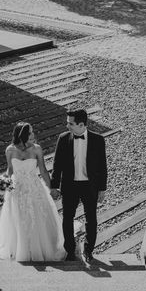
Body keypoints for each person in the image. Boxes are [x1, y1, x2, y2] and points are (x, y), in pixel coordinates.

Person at [0, 122, 66, 262]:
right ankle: (19, 249)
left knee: (37, 217)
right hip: (16, 189)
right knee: (18, 218)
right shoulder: (10, 150)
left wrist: (51, 188)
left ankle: (42, 248)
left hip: (34, 188)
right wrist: (3, 182)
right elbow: (10, 169)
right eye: (30, 132)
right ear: (22, 135)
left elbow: (43, 170)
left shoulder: (36, 149)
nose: (33, 134)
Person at [50, 108, 107, 263]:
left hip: (90, 186)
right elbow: (57, 165)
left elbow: (102, 166)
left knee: (91, 219)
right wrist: (54, 186)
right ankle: (70, 251)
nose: (67, 126)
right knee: (67, 218)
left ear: (81, 124)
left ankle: (88, 251)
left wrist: (102, 188)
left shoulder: (98, 140)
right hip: (70, 186)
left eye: (70, 123)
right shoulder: (63, 138)